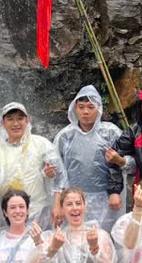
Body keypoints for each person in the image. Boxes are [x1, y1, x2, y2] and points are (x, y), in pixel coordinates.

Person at [54, 85, 126, 232]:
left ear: (99, 109)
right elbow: (59, 172)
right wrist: (58, 203)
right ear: (75, 109)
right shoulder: (65, 136)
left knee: (105, 239)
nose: (86, 112)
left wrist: (119, 161)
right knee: (75, 238)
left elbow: (129, 163)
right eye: (81, 107)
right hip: (73, 201)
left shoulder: (110, 132)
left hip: (105, 199)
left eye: (90, 107)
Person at [0, 102, 63, 228]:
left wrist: (57, 204)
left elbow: (60, 176)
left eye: (20, 119)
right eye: (10, 119)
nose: (16, 124)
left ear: (27, 120)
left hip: (39, 213)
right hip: (10, 216)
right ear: (3, 123)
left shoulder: (41, 144)